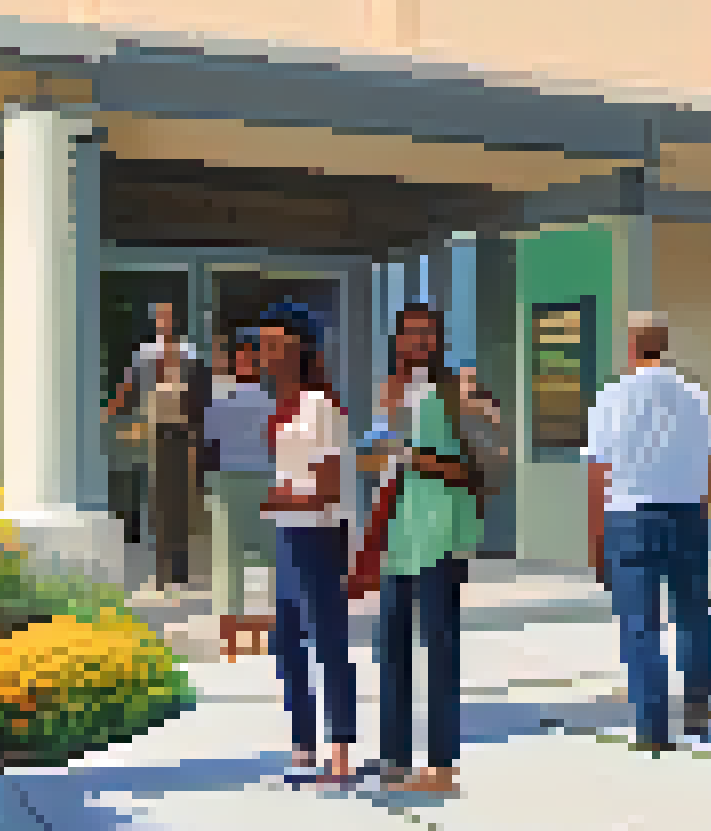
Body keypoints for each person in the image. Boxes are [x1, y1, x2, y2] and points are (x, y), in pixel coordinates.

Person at [349, 301, 503, 795]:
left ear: (438, 340)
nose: (417, 343)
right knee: (391, 649)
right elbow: (372, 460)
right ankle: (394, 757)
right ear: (395, 340)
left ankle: (440, 764)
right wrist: (379, 457)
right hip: (396, 534)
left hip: (442, 535)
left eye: (426, 334)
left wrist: (414, 457)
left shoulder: (458, 389)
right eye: (409, 334)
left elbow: (482, 463)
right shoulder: (387, 392)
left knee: (440, 647)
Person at [585, 310, 711, 753]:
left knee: (640, 624)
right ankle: (698, 706)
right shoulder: (695, 396)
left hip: (629, 517)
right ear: (664, 344)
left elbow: (598, 473)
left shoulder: (611, 396)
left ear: (631, 345)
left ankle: (652, 726)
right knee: (694, 615)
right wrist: (703, 515)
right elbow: (710, 465)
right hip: (686, 514)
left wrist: (596, 539)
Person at [254, 301, 357, 786]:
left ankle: (339, 745)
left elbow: (331, 486)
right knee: (287, 643)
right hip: (289, 531)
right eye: (263, 344)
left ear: (299, 349)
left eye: (274, 344)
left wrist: (282, 499)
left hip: (318, 533)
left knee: (328, 640)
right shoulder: (282, 408)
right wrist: (281, 505)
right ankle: (302, 740)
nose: (264, 353)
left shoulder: (321, 408)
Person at [102, 301, 211, 590]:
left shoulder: (190, 354)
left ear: (176, 321)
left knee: (183, 504)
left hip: (186, 435)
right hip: (156, 435)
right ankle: (162, 569)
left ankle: (181, 568)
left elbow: (202, 396)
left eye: (168, 318)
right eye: (160, 318)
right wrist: (107, 413)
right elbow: (128, 387)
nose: (164, 323)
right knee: (158, 503)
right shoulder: (146, 355)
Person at [202, 334, 278, 643]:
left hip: (230, 476)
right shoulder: (272, 402)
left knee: (228, 555)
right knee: (272, 551)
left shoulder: (221, 400)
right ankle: (274, 622)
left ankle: (229, 630)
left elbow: (209, 436)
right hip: (261, 475)